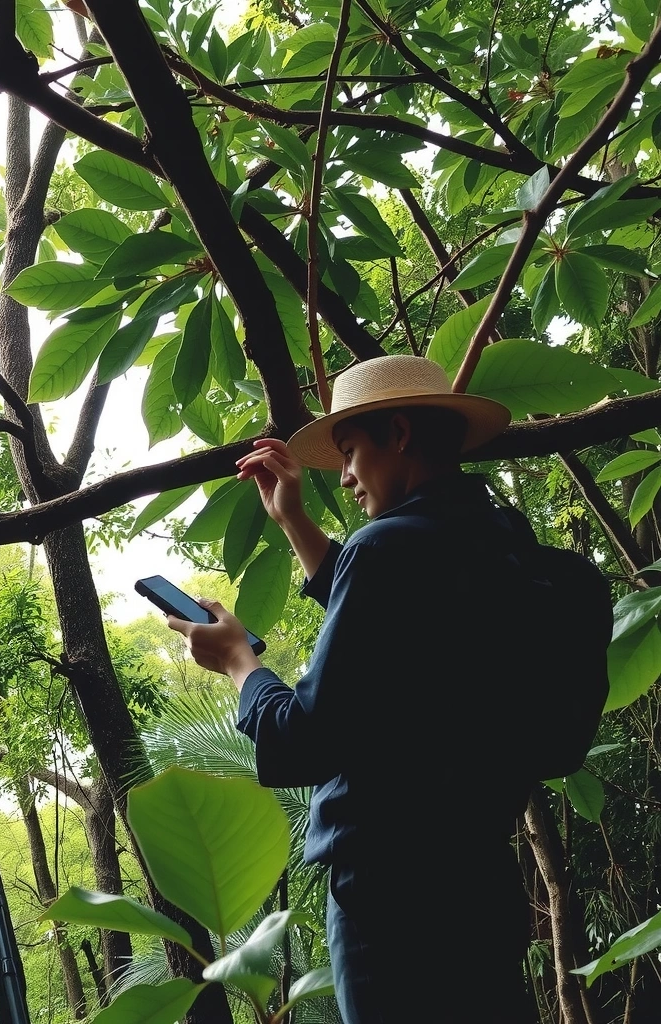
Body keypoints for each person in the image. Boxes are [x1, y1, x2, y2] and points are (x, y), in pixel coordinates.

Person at [168, 355, 540, 1024]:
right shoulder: (497, 535)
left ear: (397, 434)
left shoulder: (386, 550)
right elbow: (394, 618)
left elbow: (304, 742)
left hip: (391, 904)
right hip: (481, 882)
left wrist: (237, 665)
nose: (342, 477)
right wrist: (293, 521)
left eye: (349, 452)